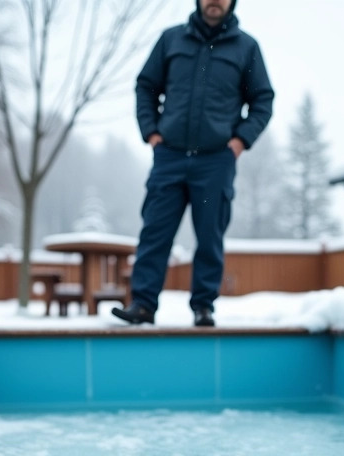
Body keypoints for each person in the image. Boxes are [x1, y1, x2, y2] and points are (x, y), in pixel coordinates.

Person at [113, 0, 273, 327]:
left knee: (209, 237)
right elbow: (145, 86)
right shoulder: (171, 40)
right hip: (169, 157)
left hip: (215, 161)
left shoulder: (246, 47)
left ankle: (203, 307)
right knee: (155, 233)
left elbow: (263, 100)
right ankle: (142, 304)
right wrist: (151, 133)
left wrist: (239, 142)